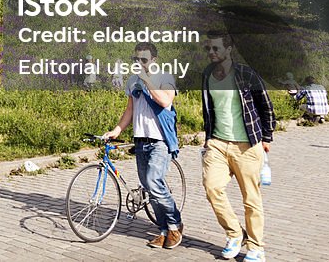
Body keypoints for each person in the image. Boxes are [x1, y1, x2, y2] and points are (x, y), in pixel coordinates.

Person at [201, 33, 275, 262]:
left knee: (251, 199)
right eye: (208, 49)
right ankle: (234, 233)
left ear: (229, 48)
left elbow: (265, 104)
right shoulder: (207, 74)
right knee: (212, 188)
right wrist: (208, 139)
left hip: (247, 145)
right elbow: (209, 109)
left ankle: (256, 247)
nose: (211, 53)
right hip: (218, 143)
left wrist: (267, 137)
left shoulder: (245, 73)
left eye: (216, 48)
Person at [101, 43, 183, 249]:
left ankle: (175, 223)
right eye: (135, 59)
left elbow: (165, 101)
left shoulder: (165, 77)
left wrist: (146, 80)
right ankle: (164, 231)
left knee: (154, 182)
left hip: (160, 141)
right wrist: (117, 130)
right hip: (141, 141)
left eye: (143, 60)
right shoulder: (132, 81)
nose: (138, 63)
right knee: (149, 187)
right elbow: (130, 109)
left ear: (154, 60)